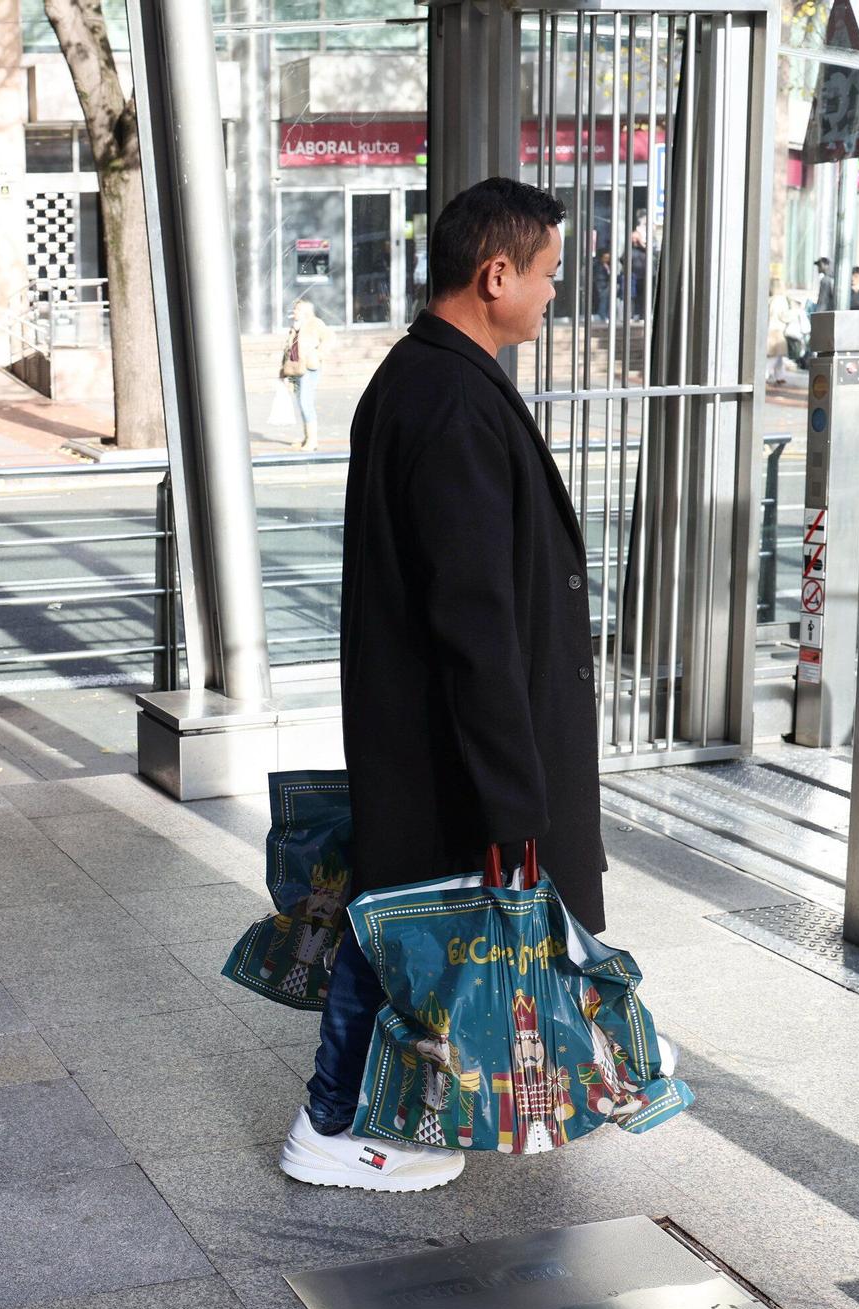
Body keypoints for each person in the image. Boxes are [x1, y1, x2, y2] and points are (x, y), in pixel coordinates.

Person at [279, 178, 603, 1193]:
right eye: (547, 275)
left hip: (432, 733)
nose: (554, 296)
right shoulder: (450, 399)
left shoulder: (425, 378)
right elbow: (472, 615)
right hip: (450, 740)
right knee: (405, 924)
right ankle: (332, 1120)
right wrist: (513, 796)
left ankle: (566, 1055)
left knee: (414, 915)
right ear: (493, 273)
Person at [280, 298, 330, 449]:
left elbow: (329, 339)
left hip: (309, 368)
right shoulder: (295, 326)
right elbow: (288, 350)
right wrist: (284, 373)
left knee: (305, 402)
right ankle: (306, 438)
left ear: (305, 310)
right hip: (295, 368)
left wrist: (317, 354)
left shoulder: (315, 323)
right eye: (294, 309)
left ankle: (312, 441)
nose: (294, 311)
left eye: (297, 309)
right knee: (302, 404)